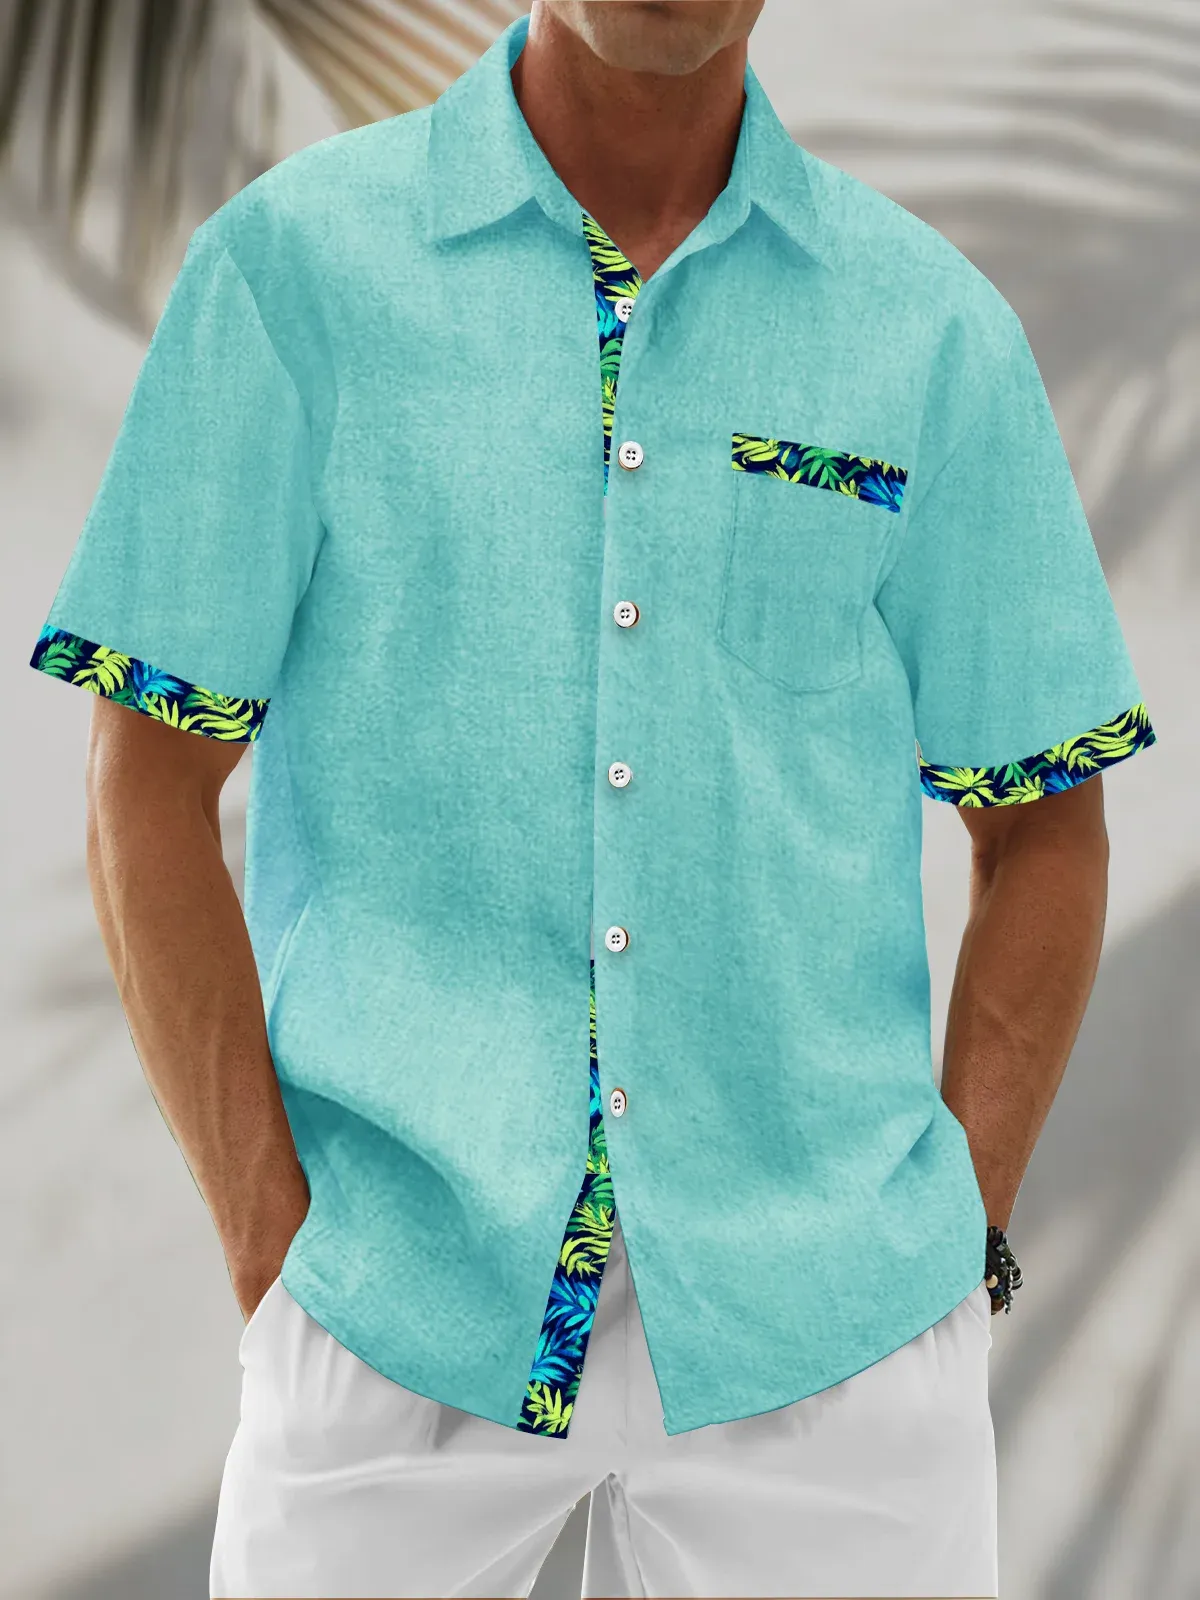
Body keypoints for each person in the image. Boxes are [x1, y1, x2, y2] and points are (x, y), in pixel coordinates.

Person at [29, 3, 1156, 1596]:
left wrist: (948, 1250)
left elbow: (1043, 816)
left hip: (830, 1318)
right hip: (398, 1293)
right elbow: (147, 768)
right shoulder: (294, 276)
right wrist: (271, 1247)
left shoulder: (928, 328)